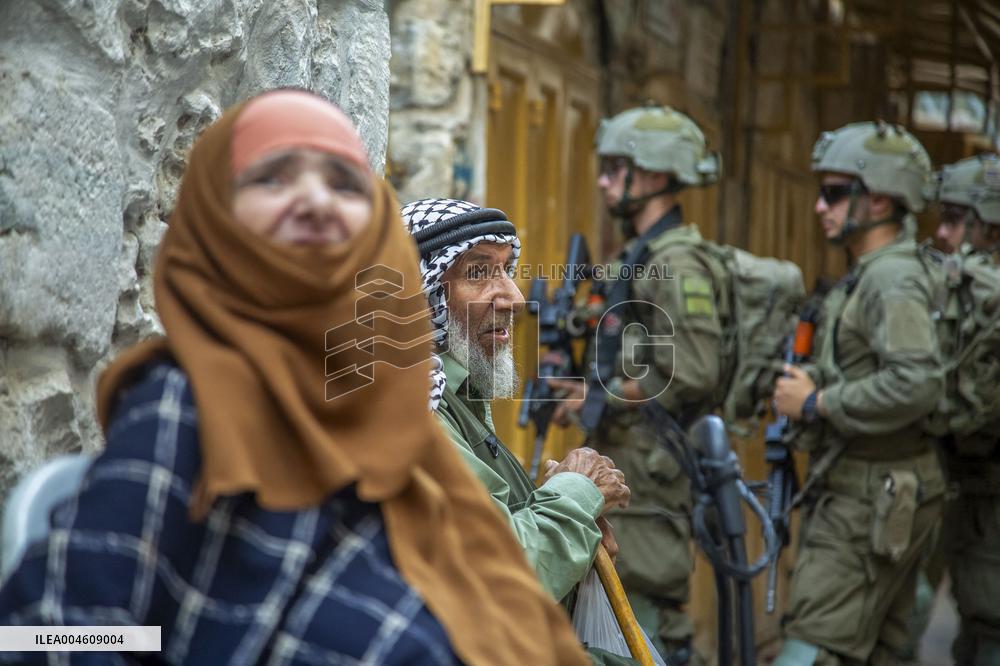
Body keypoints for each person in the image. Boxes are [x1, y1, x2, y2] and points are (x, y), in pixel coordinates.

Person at [0, 90, 589, 666]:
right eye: (272, 178)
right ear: (218, 221)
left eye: (343, 182)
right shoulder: (194, 404)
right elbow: (50, 634)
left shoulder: (388, 404)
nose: (313, 199)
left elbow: (487, 588)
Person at [546, 105, 726, 664]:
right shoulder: (641, 256)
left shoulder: (678, 262)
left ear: (649, 175)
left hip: (652, 475)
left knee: (637, 622)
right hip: (632, 466)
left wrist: (601, 396)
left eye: (614, 167)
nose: (602, 180)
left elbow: (692, 369)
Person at [772, 121, 946, 665]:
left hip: (866, 501)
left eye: (833, 193)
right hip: (877, 491)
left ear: (875, 201)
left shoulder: (889, 280)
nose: (820, 207)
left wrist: (817, 403)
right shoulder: (874, 274)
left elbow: (917, 382)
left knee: (809, 650)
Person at [400, 198, 630, 604]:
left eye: (506, 270)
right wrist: (576, 493)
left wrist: (564, 508)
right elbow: (501, 576)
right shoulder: (412, 407)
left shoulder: (454, 392)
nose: (513, 297)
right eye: (477, 272)